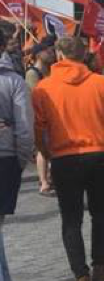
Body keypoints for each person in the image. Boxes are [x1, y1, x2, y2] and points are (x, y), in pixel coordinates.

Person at [32, 36, 104, 281]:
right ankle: (100, 267)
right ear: (84, 54)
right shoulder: (103, 83)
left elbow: (38, 128)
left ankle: (81, 276)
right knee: (100, 212)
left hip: (64, 157)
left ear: (59, 55)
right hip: (99, 154)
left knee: (71, 219)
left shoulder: (44, 88)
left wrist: (46, 153)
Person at [0, 28, 33, 281]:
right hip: (6, 158)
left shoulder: (14, 80)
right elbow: (24, 130)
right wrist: (20, 161)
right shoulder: (14, 81)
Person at [24, 39, 56, 196]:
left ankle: (50, 178)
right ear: (38, 55)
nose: (51, 54)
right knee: (42, 150)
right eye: (47, 51)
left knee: (51, 147)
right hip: (40, 116)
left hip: (52, 115)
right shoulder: (32, 73)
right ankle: (43, 183)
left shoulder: (50, 71)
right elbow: (35, 95)